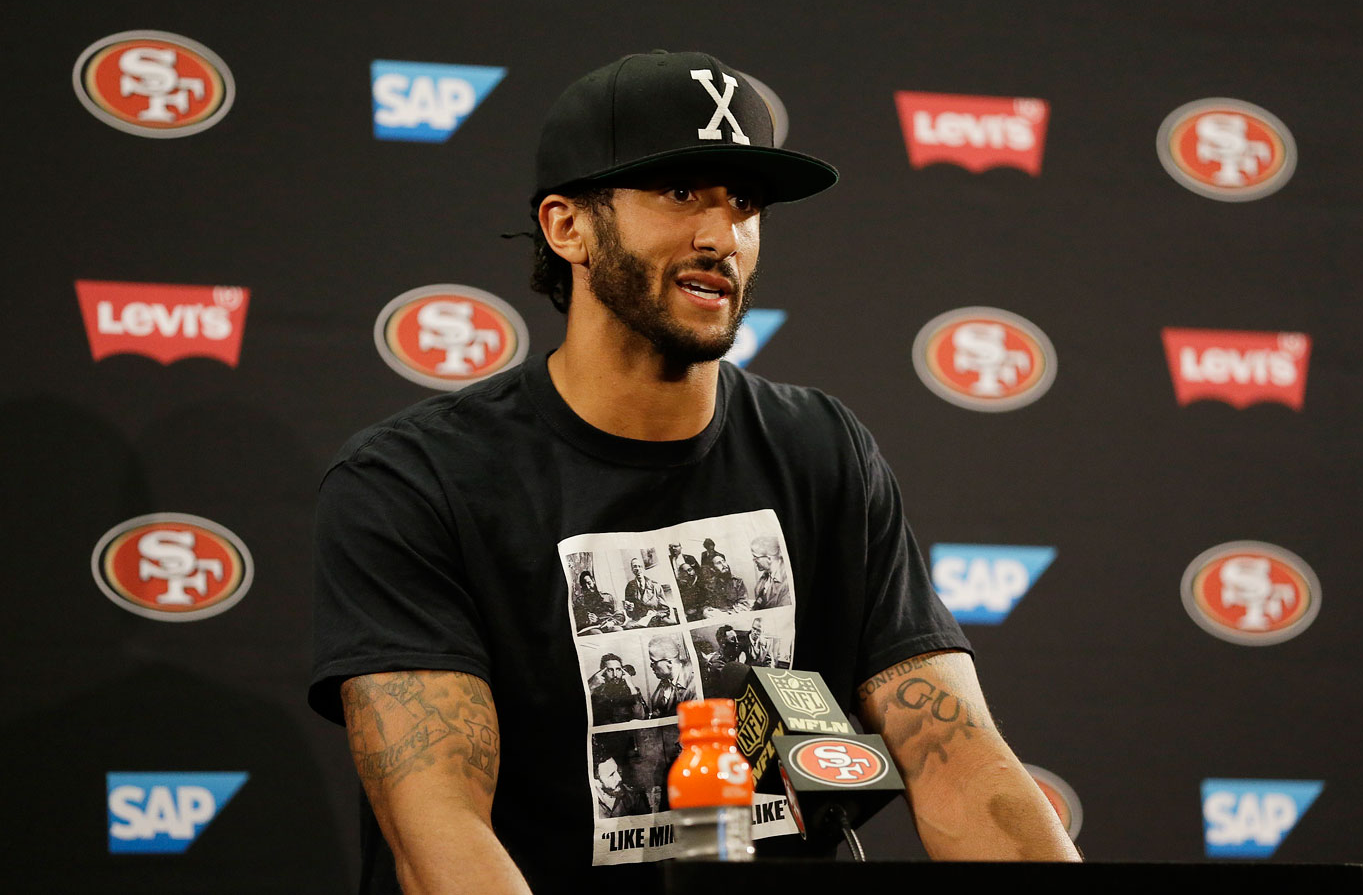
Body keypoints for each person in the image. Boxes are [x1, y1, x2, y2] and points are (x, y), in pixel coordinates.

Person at [310, 49, 1080, 895]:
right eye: (680, 195)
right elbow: (438, 830)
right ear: (567, 226)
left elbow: (961, 759)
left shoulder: (824, 449)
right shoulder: (414, 480)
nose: (723, 237)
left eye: (744, 203)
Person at [644, 634, 696, 718]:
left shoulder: (694, 684)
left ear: (669, 663)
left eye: (654, 662)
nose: (651, 666)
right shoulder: (665, 682)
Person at [586, 653, 645, 725]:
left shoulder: (632, 690)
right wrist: (592, 686)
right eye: (610, 670)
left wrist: (631, 686)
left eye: (618, 669)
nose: (615, 675)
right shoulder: (595, 690)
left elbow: (640, 717)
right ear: (603, 672)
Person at [621, 556, 674, 627]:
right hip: (639, 620)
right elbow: (630, 614)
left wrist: (655, 614)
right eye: (635, 567)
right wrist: (629, 609)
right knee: (627, 628)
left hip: (656, 617)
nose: (637, 569)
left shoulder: (655, 585)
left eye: (639, 566)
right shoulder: (630, 587)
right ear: (632, 570)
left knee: (671, 624)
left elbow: (665, 609)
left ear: (643, 568)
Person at [749, 535, 792, 610]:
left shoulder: (787, 581)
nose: (754, 561)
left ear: (769, 558)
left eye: (756, 557)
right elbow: (760, 601)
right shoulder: (766, 577)